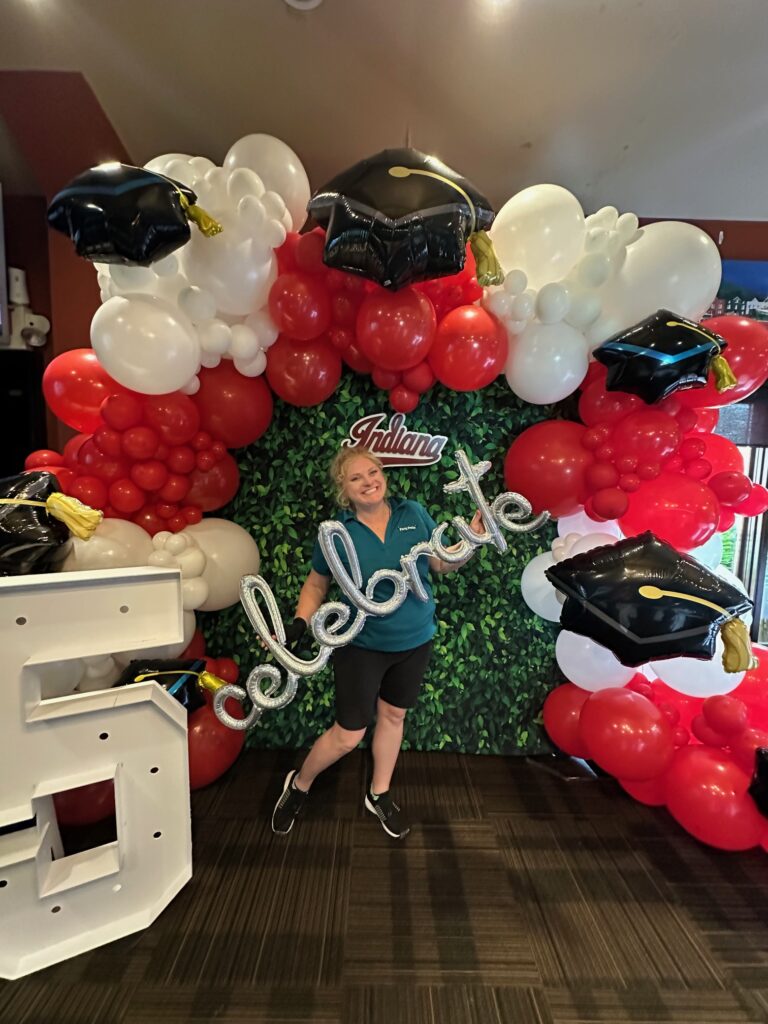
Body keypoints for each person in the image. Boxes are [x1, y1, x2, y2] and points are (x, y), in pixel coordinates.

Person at [271, 444, 482, 839]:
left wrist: (472, 539)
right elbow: (316, 584)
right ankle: (298, 784)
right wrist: (299, 623)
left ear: (383, 474)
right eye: (356, 477)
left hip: (415, 640)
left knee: (394, 716)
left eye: (373, 472)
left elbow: (441, 564)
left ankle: (378, 793)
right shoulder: (337, 533)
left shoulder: (412, 513)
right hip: (361, 646)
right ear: (344, 489)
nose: (368, 482)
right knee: (348, 735)